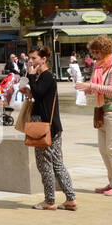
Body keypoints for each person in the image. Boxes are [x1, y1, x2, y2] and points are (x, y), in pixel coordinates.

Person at [74, 34, 112, 196]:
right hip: (103, 109)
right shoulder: (99, 66)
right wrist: (86, 89)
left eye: (97, 52)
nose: (95, 55)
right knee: (104, 149)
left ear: (105, 50)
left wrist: (91, 85)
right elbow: (97, 87)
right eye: (94, 52)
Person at [27, 46, 75, 211]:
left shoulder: (45, 76)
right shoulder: (45, 76)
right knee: (57, 163)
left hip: (44, 127)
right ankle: (70, 198)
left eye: (34, 58)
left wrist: (31, 78)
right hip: (52, 125)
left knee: (44, 164)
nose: (30, 61)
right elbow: (41, 96)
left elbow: (39, 93)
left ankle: (49, 200)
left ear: (43, 59)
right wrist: (30, 88)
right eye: (30, 58)